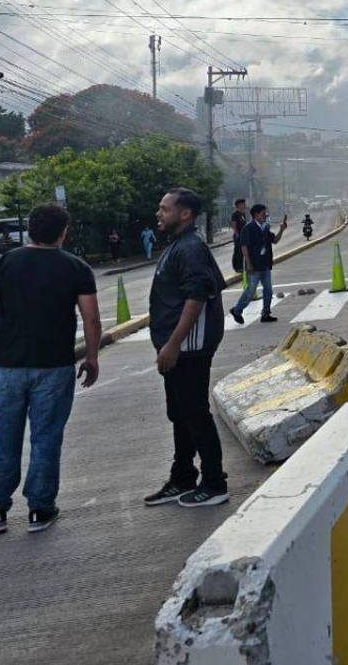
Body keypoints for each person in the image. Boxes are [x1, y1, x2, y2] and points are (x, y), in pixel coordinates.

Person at [0, 203, 101, 535]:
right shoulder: (75, 267)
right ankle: (40, 510)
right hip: (55, 366)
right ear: (63, 232)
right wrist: (91, 357)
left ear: (30, 230)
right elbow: (91, 319)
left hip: (7, 368)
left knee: (3, 439)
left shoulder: (4, 264)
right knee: (46, 439)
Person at [143, 188, 229, 509]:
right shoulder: (179, 245)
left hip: (189, 348)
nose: (159, 213)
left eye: (164, 209)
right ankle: (182, 477)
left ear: (185, 214)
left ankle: (214, 483)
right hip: (178, 347)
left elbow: (197, 297)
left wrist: (173, 345)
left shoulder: (191, 248)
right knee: (180, 414)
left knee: (195, 414)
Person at [230, 204, 285, 325]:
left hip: (265, 264)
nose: (266, 215)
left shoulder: (265, 227)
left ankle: (266, 313)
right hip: (254, 265)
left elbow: (275, 240)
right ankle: (237, 310)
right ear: (256, 214)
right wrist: (248, 263)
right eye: (263, 213)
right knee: (250, 291)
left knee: (268, 290)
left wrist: (282, 229)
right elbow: (244, 246)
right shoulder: (248, 228)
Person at [229, 198, 247, 274]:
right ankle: (237, 267)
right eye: (243, 204)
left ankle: (242, 266)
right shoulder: (235, 214)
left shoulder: (243, 214)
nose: (244, 205)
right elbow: (233, 224)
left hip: (243, 235)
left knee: (243, 251)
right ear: (239, 205)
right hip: (238, 235)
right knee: (238, 251)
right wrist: (236, 233)